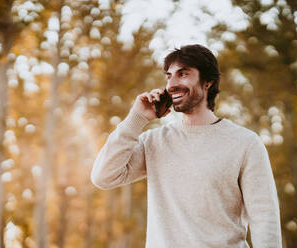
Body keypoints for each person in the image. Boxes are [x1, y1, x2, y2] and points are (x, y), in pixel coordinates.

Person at [91, 44, 282, 247]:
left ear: (207, 81)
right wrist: (136, 119)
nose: (172, 84)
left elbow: (264, 220)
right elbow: (103, 177)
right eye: (169, 76)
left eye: (183, 74)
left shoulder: (245, 143)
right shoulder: (154, 142)